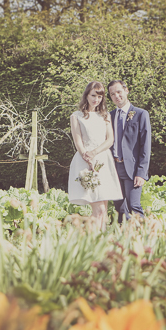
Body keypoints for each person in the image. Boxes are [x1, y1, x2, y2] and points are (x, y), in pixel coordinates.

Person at [68, 81, 123, 230]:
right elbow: (78, 141)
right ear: (86, 95)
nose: (96, 99)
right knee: (98, 209)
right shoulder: (76, 116)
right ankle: (93, 241)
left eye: (99, 96)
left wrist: (95, 152)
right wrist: (88, 157)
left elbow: (110, 140)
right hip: (86, 161)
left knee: (103, 211)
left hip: (103, 160)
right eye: (93, 95)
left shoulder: (104, 116)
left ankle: (99, 242)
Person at [108, 80, 151, 223]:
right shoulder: (109, 116)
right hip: (114, 168)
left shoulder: (140, 114)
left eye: (119, 92)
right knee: (119, 208)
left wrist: (141, 172)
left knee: (134, 205)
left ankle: (145, 237)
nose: (116, 96)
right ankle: (123, 239)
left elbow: (145, 146)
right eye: (112, 94)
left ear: (126, 90)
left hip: (132, 169)